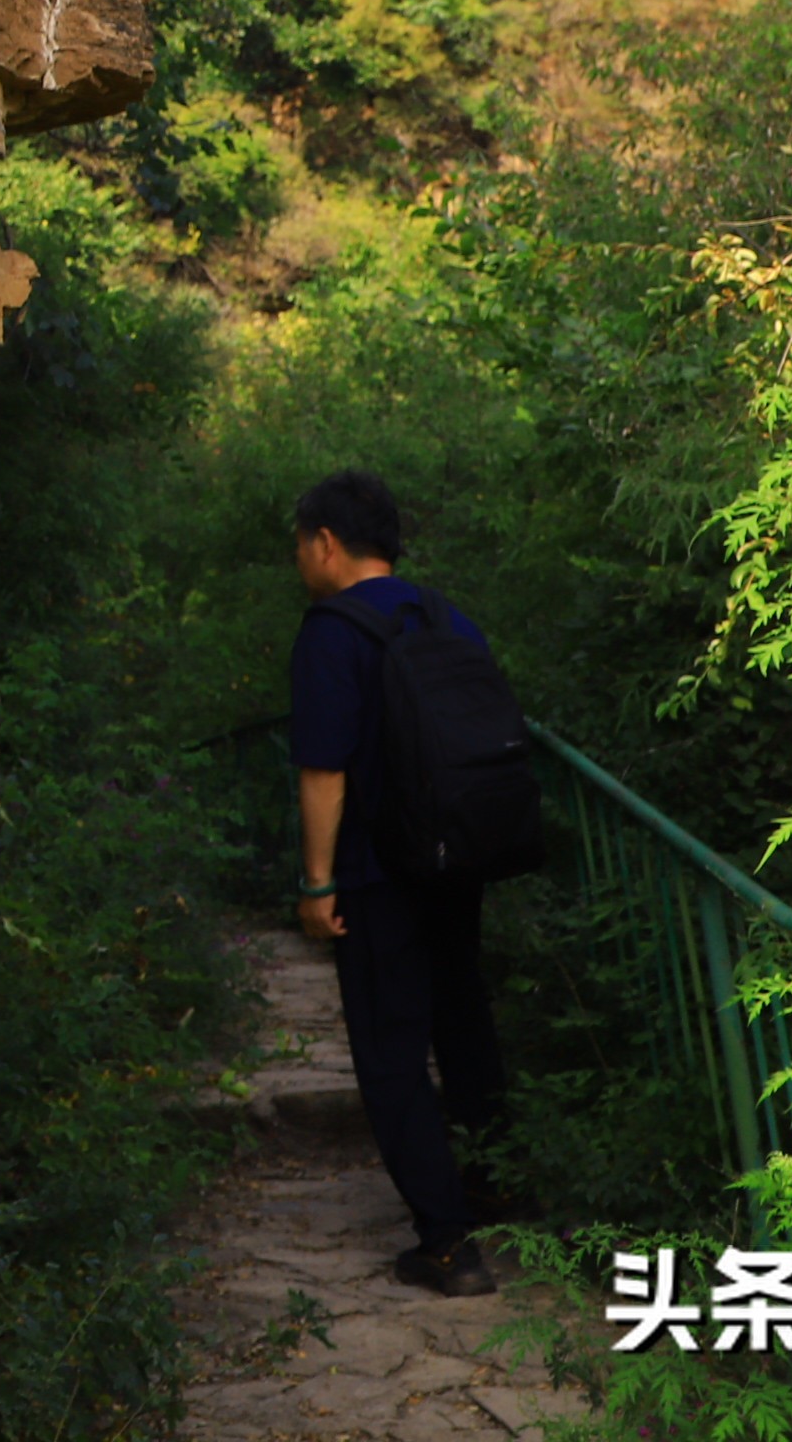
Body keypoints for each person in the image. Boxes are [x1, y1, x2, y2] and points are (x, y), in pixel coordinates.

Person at [287, 467, 512, 1295]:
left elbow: (323, 771)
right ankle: (492, 1178)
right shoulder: (446, 615)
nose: (300, 561)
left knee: (389, 1051)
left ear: (327, 543)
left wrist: (317, 886)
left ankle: (447, 1244)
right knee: (462, 1023)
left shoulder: (331, 632)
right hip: (458, 861)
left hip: (377, 875)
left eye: (301, 545)